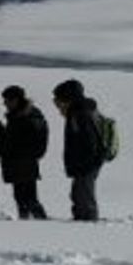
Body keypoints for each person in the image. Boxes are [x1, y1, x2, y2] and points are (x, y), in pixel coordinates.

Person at [53, 79, 105, 221]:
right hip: (86, 163)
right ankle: (82, 226)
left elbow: (89, 142)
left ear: (68, 99)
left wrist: (82, 165)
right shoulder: (80, 112)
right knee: (78, 195)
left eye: (58, 100)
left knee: (83, 197)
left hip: (86, 164)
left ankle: (87, 230)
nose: (57, 105)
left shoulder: (79, 114)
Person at [1, 86, 48, 219]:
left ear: (16, 100)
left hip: (25, 164)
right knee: (20, 198)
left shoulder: (29, 116)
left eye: (7, 100)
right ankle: (25, 223)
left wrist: (18, 152)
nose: (5, 103)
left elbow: (35, 143)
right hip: (17, 164)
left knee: (29, 199)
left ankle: (42, 224)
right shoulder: (18, 116)